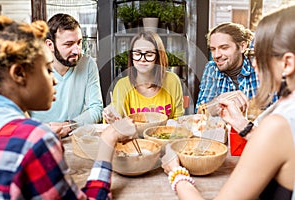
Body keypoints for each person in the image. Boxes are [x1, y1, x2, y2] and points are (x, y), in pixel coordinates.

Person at [0, 13, 137, 199]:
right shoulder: (36, 140)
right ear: (19, 74)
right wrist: (108, 140)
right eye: (46, 69)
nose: (53, 80)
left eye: (79, 42)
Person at [162, 6, 295, 200]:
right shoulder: (286, 109)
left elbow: (276, 137)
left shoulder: (278, 123)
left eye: (260, 56)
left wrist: (176, 172)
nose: (255, 63)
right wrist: (243, 126)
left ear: (287, 64)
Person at [30, 13, 103, 137]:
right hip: (37, 138)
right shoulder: (30, 68)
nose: (77, 51)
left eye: (79, 42)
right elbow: (16, 115)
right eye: (68, 44)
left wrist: (70, 125)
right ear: (50, 45)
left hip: (73, 137)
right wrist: (45, 129)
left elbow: (96, 108)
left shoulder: (88, 64)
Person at [103, 31, 184, 123]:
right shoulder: (122, 85)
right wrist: (110, 116)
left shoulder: (172, 81)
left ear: (158, 57)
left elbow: (178, 120)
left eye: (149, 55)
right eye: (137, 54)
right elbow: (116, 115)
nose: (142, 59)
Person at [195, 22, 259, 115]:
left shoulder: (258, 69)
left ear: (242, 47)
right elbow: (200, 113)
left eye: (224, 48)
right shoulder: (212, 68)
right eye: (213, 49)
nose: (216, 55)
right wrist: (219, 101)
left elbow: (277, 112)